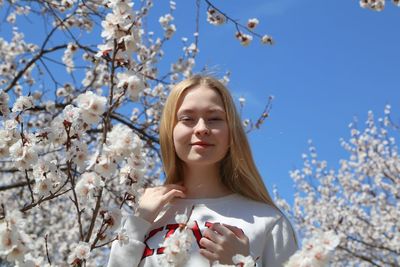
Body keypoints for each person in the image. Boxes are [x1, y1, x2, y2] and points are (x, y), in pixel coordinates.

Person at [107, 75, 297, 267]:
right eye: (187, 119)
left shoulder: (268, 221)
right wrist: (138, 221)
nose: (202, 128)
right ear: (170, 130)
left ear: (231, 131)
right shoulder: (149, 215)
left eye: (214, 119)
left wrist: (241, 263)